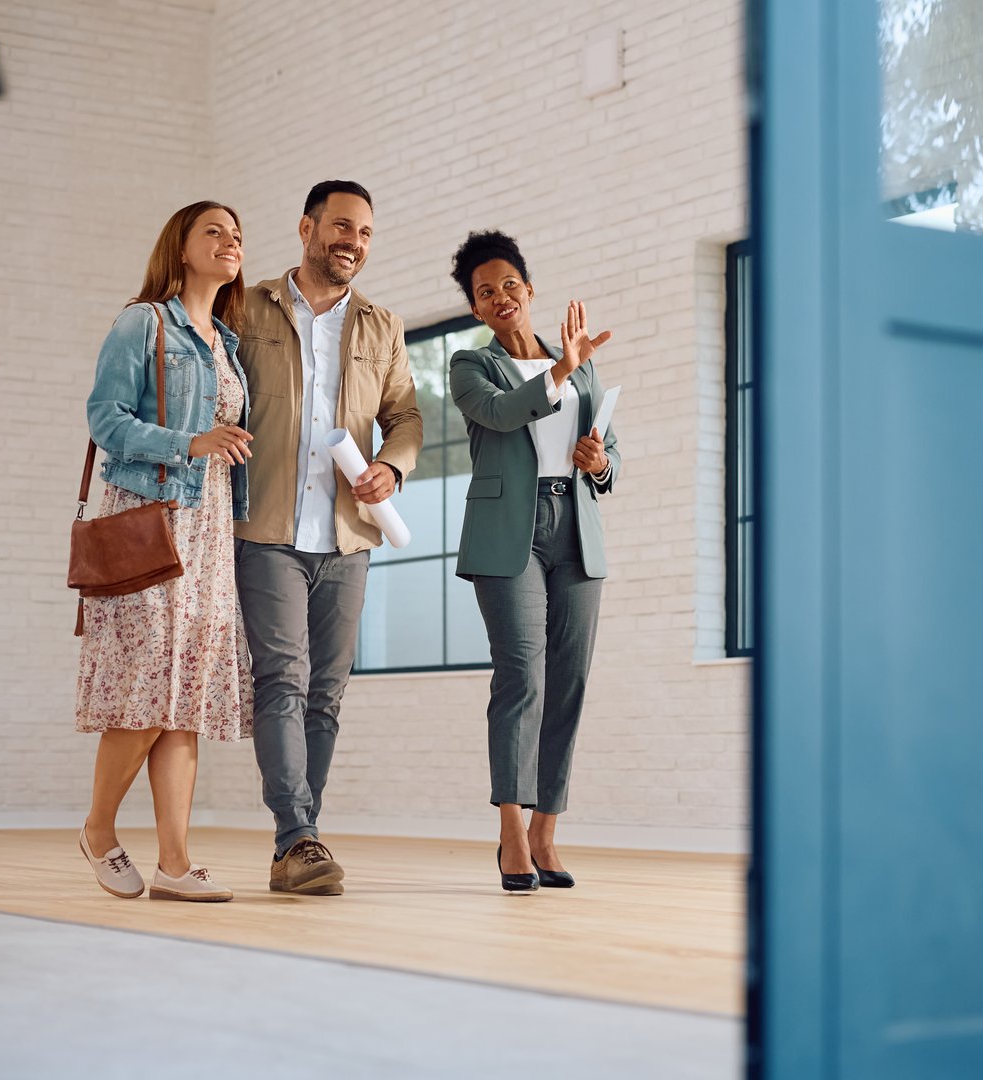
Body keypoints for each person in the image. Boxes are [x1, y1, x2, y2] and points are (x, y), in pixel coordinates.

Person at [234, 180, 423, 895]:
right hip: (267, 529)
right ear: (307, 228)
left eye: (365, 232)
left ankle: (297, 844)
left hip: (348, 538)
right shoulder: (247, 307)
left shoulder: (383, 326)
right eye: (342, 226)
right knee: (281, 678)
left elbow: (406, 417)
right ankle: (297, 835)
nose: (354, 242)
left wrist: (390, 467)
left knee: (327, 693)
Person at [75, 200, 256, 903]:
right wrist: (189, 443)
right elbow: (104, 418)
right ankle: (98, 829)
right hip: (149, 521)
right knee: (145, 690)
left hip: (208, 536)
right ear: (181, 247)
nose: (230, 241)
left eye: (236, 234)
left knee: (183, 701)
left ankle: (175, 865)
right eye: (214, 230)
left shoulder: (227, 343)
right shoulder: (143, 322)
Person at [446, 230, 621, 892]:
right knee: (522, 676)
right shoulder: (470, 365)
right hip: (506, 534)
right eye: (485, 292)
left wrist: (598, 461)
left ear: (529, 289)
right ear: (475, 306)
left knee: (569, 681)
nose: (501, 297)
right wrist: (559, 370)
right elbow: (501, 414)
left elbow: (610, 446)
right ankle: (512, 833)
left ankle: (547, 831)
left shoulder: (578, 362)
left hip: (576, 528)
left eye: (510, 285)